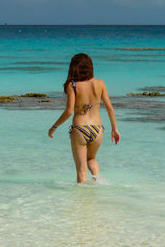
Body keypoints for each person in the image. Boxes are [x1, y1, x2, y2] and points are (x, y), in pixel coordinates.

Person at [48, 53, 121, 183]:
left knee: (81, 171)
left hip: (80, 129)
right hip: (98, 129)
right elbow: (110, 108)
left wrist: (54, 127)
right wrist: (115, 129)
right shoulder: (100, 83)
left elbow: (69, 111)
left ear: (74, 68)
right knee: (91, 159)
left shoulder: (73, 85)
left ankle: (82, 201)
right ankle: (98, 180)